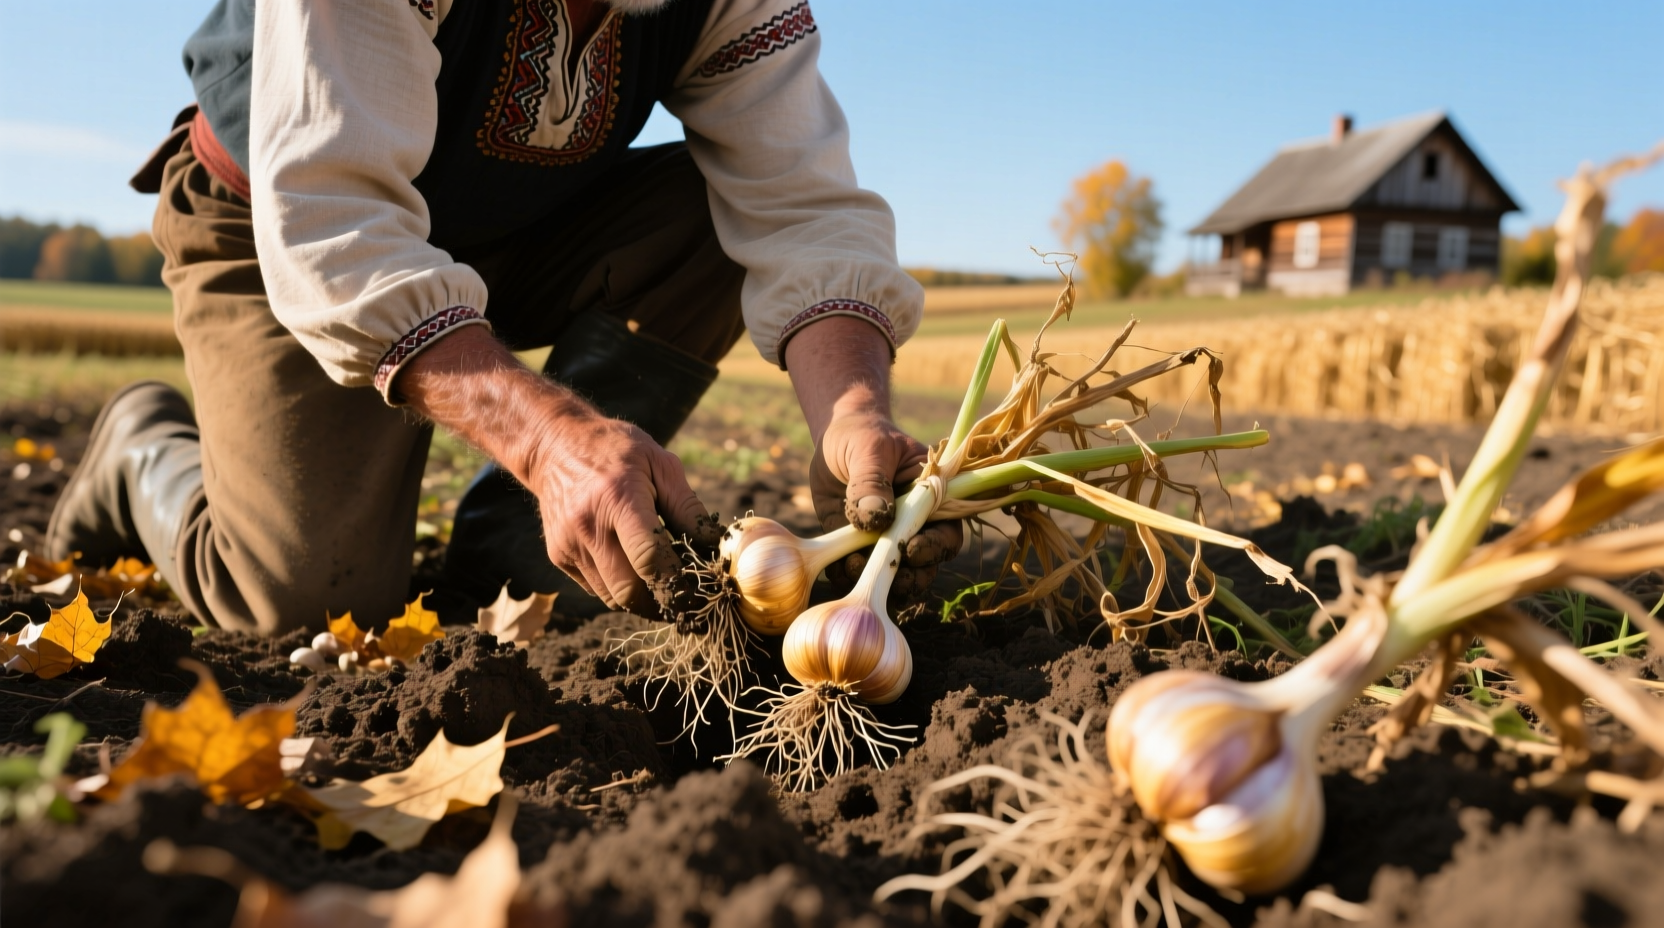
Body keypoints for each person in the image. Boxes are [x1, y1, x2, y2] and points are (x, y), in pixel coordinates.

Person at [45, 0, 960, 635]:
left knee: (712, 214)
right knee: (297, 600)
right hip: (282, 229)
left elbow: (797, 203)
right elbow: (338, 225)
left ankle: (511, 555)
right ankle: (140, 451)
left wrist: (851, 411)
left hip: (513, 235)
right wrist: (548, 442)